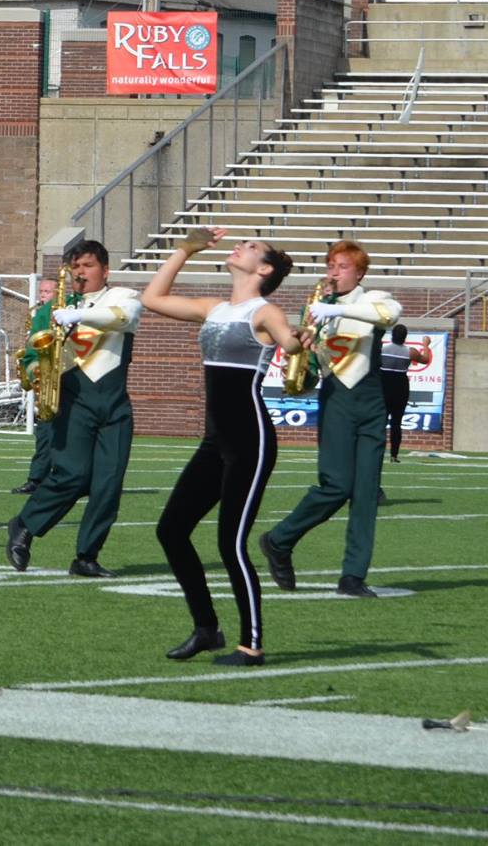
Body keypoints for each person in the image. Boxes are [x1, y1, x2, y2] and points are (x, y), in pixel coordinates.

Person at [141, 227, 297, 666]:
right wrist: (184, 250)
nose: (241, 247)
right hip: (215, 442)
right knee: (171, 530)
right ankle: (206, 628)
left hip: (250, 441)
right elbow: (152, 299)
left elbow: (288, 341)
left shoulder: (265, 311)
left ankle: (251, 644)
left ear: (263, 269)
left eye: (251, 247)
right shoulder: (215, 308)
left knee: (231, 544)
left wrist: (300, 340)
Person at [260, 240, 400, 600]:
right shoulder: (319, 311)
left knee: (366, 493)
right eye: (330, 266)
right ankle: (279, 540)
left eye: (341, 266)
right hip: (336, 399)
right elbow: (311, 362)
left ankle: (353, 576)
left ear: (359, 272)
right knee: (336, 485)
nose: (333, 272)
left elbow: (388, 314)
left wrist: (327, 309)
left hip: (371, 400)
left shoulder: (371, 299)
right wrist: (304, 346)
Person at [6, 240, 143, 578]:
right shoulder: (52, 308)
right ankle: (25, 525)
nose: (81, 273)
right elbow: (32, 355)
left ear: (105, 270)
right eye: (75, 267)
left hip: (113, 402)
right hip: (73, 400)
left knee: (108, 483)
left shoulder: (121, 296)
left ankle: (86, 556)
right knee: (73, 476)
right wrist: (38, 371)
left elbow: (124, 318)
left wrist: (79, 314)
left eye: (88, 266)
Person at [12, 276, 59, 495]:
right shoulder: (41, 314)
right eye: (41, 292)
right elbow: (32, 349)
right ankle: (37, 478)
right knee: (45, 432)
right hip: (48, 381)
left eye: (47, 291)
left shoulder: (72, 308)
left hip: (69, 378)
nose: (43, 295)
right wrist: (33, 372)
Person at [380, 323, 414, 466]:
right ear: (405, 337)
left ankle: (377, 453)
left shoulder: (382, 350)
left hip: (384, 385)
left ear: (392, 335)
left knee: (380, 422)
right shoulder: (409, 352)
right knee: (396, 423)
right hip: (400, 387)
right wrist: (425, 344)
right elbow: (425, 358)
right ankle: (394, 455)